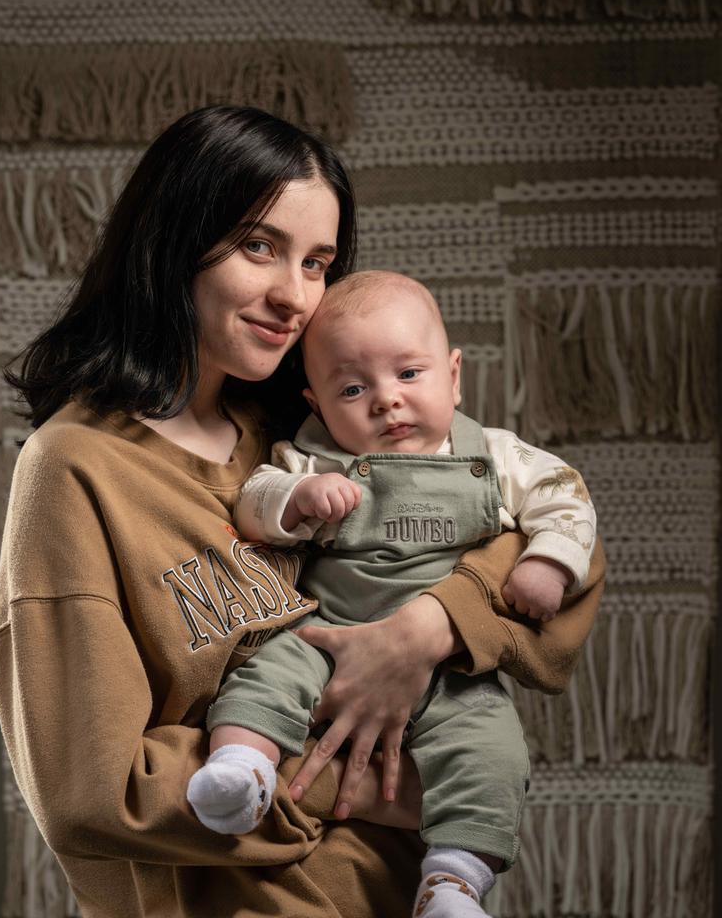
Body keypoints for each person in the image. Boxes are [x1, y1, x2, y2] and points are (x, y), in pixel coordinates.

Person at [0, 106, 604, 918]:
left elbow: (561, 552)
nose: (294, 296)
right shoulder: (77, 469)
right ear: (173, 239)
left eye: (317, 262)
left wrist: (424, 631)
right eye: (260, 247)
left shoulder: (302, 437)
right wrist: (383, 791)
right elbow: (93, 789)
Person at [187, 271, 596, 917]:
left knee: (494, 754)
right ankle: (241, 769)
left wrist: (548, 560)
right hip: (328, 637)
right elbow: (253, 503)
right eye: (352, 388)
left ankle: (454, 883)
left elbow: (563, 497)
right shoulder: (312, 458)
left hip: (453, 669)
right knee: (264, 678)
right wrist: (294, 501)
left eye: (410, 374)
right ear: (317, 404)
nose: (386, 401)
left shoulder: (493, 456)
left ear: (454, 374)